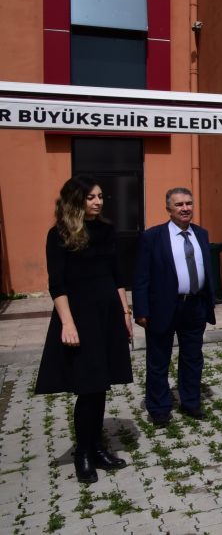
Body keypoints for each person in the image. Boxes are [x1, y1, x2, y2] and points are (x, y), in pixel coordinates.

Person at [35, 176, 133, 484]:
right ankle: (84, 453)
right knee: (88, 387)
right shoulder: (59, 234)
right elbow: (57, 285)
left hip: (108, 315)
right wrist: (67, 323)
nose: (98, 202)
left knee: (100, 385)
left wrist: (125, 312)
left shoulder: (106, 230)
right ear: (76, 200)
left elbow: (117, 276)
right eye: (91, 197)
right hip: (79, 317)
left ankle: (97, 447)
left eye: (101, 196)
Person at [133, 187, 217, 425]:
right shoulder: (152, 237)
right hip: (163, 307)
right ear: (168, 209)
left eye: (189, 203)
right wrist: (141, 310)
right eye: (179, 204)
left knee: (193, 358)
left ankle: (191, 402)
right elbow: (141, 276)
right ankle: (159, 408)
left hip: (195, 306)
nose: (185, 208)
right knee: (159, 360)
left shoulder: (201, 234)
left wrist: (209, 301)